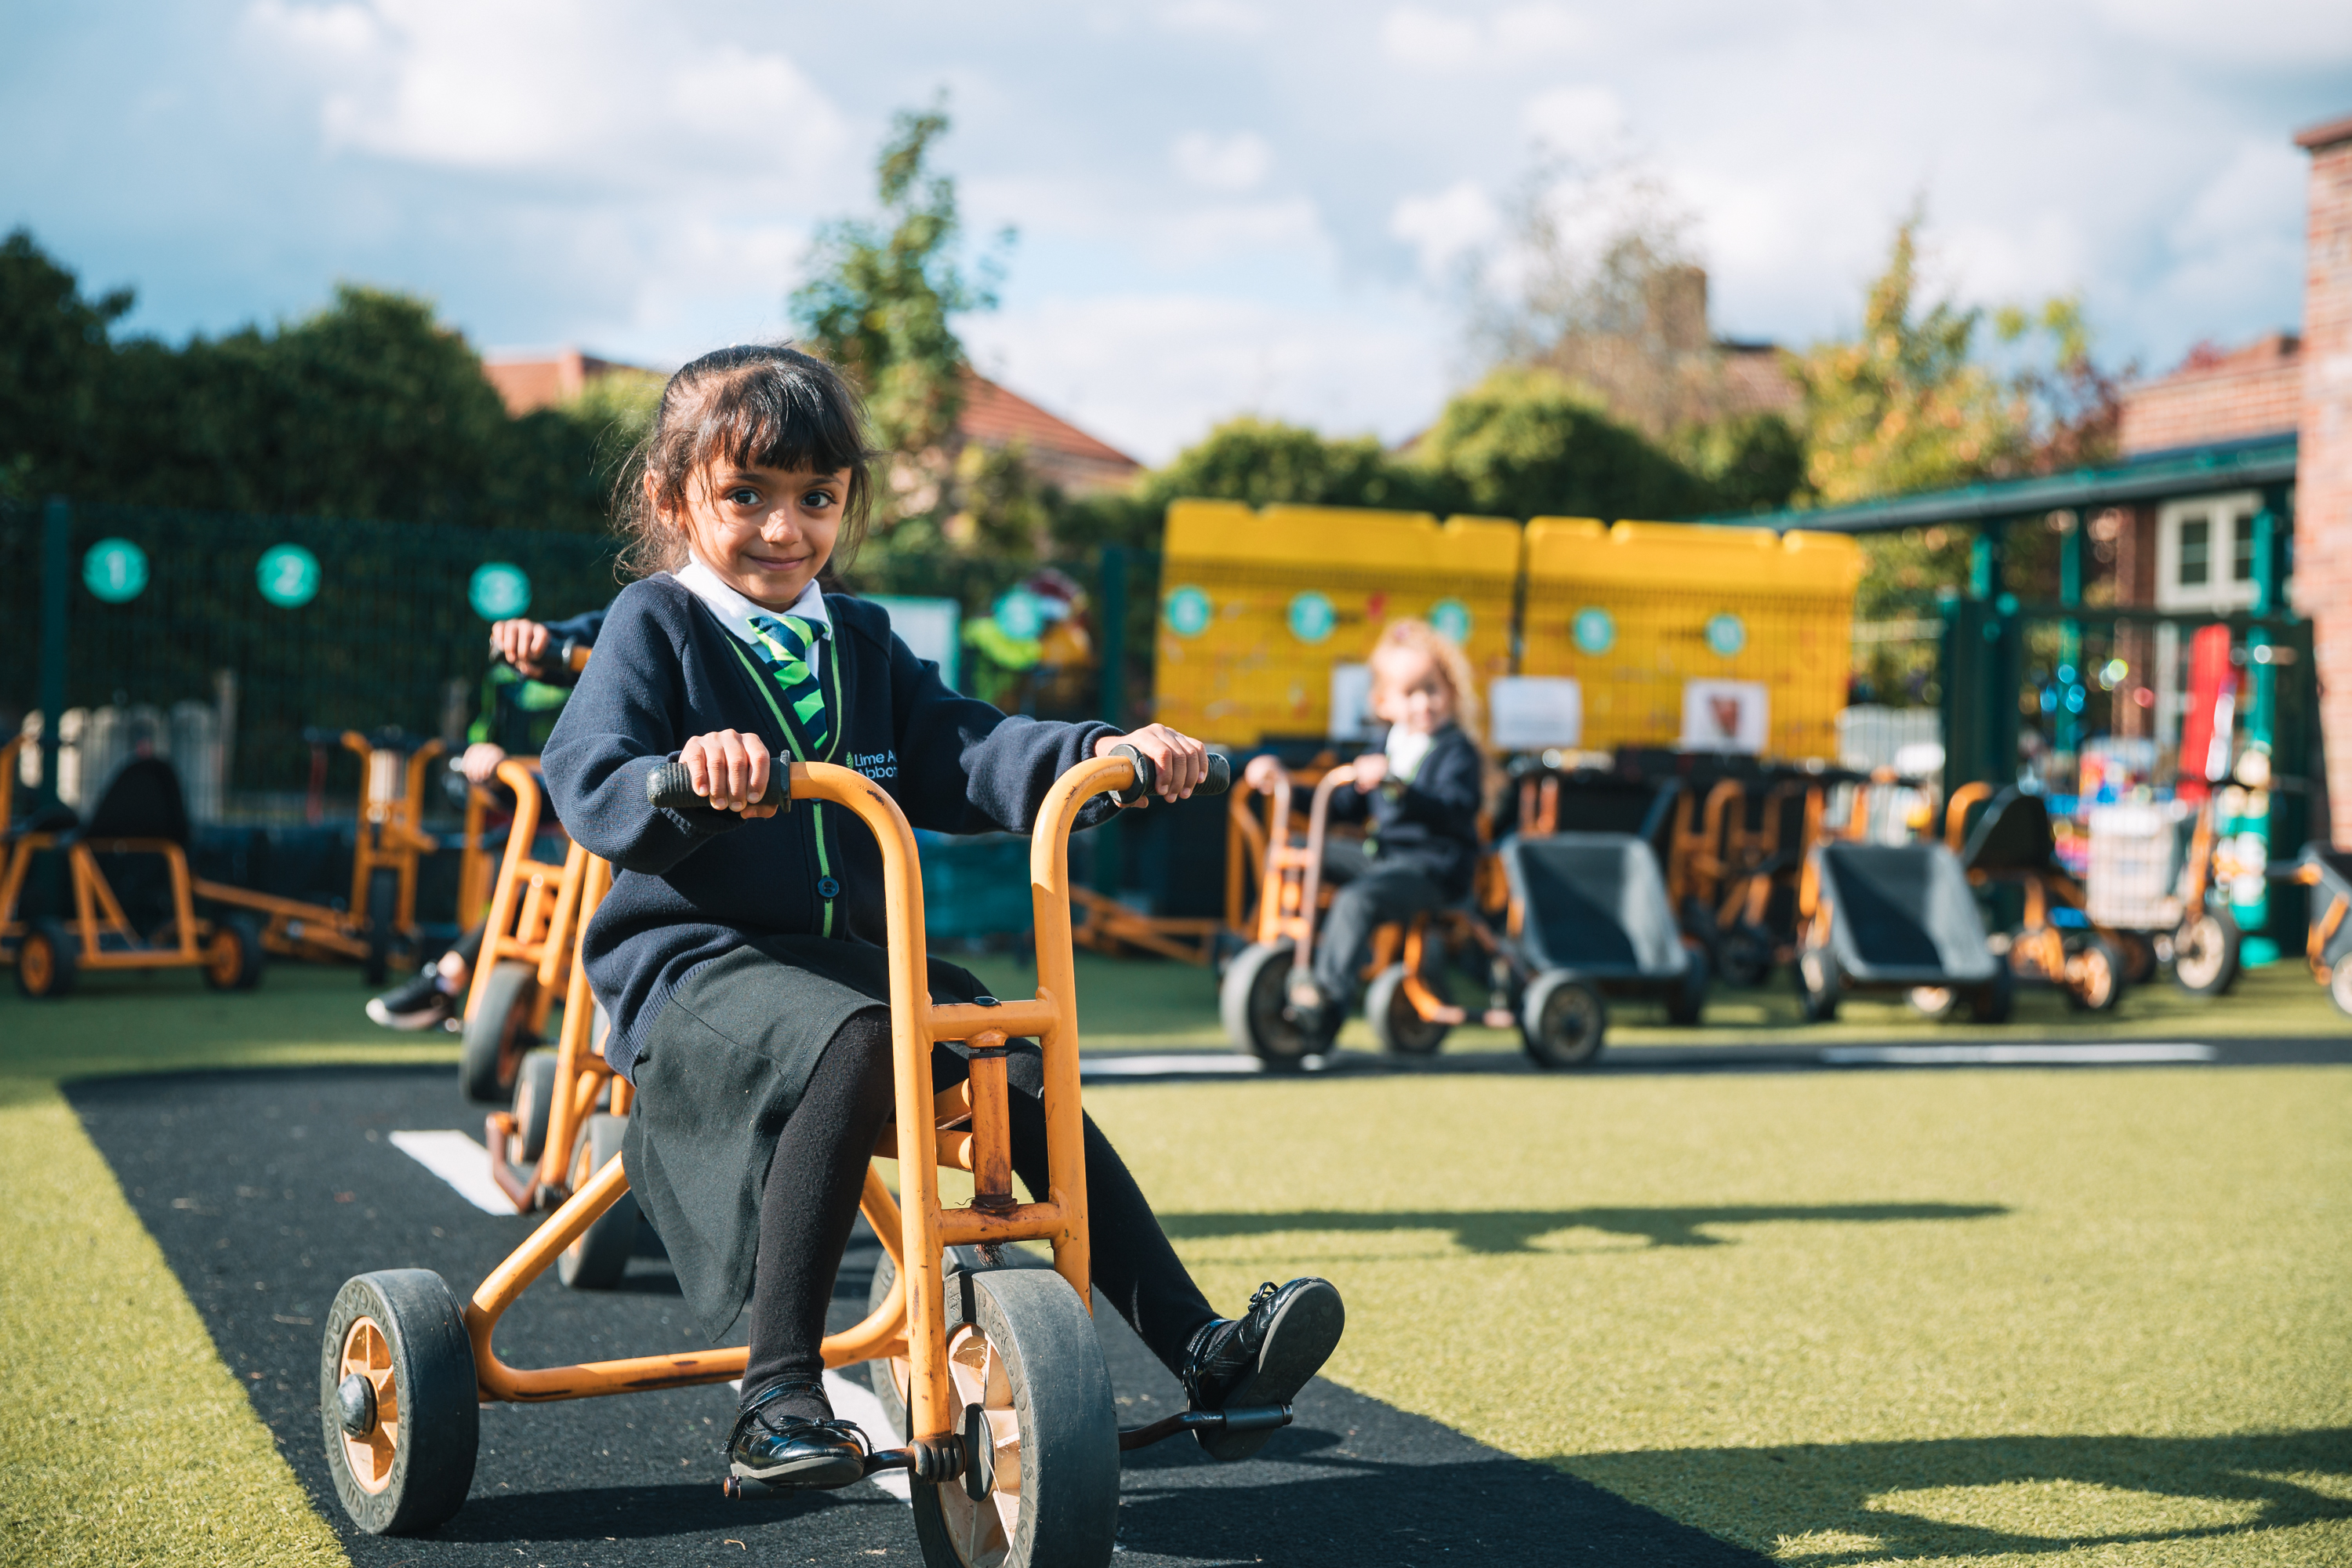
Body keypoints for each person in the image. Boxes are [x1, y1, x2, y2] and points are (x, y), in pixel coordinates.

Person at [539, 343, 1344, 1490]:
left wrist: (1100, 751)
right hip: (696, 970)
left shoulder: (854, 638)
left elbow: (961, 745)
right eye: (747, 497)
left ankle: (1201, 1348)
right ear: (676, 502)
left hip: (847, 966)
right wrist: (684, 776)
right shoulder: (654, 625)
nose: (785, 529)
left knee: (1008, 1057)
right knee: (869, 1033)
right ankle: (774, 1397)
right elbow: (591, 776)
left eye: (816, 499)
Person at [363, 606, 606, 1030]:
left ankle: (446, 977)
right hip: (615, 814)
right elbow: (603, 628)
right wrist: (537, 636)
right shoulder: (660, 603)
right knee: (544, 880)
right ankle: (449, 977)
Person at [1244, 619, 1485, 1032]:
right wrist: (1282, 780)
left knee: (1356, 902)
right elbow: (1342, 805)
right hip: (1384, 858)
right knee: (1298, 853)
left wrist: (1398, 786)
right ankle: (1286, 951)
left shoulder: (1456, 750)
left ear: (1450, 692)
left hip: (1433, 868)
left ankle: (1327, 999)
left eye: (1433, 689)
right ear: (1383, 703)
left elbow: (1456, 808)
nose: (1424, 704)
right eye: (1410, 693)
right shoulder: (1388, 744)